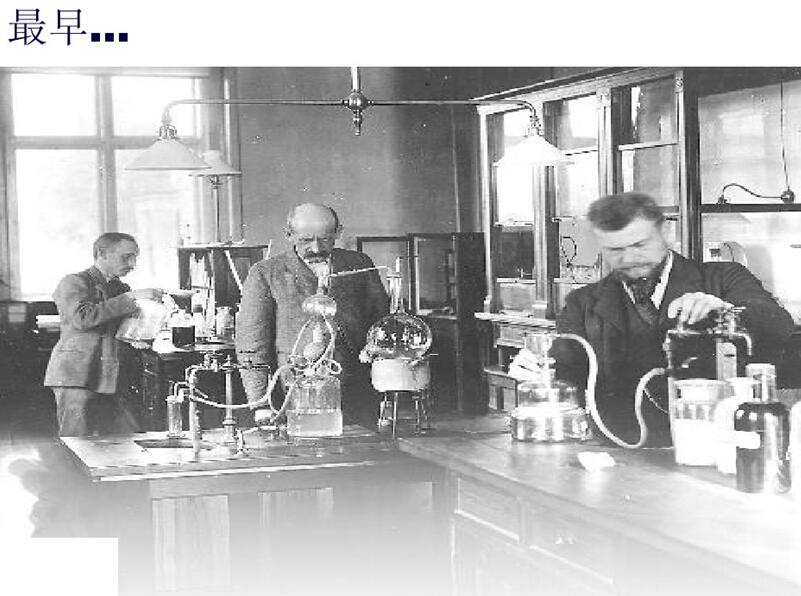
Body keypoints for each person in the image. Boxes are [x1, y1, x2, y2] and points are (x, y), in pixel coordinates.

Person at [554, 192, 794, 446]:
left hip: (717, 444)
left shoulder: (724, 278)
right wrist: (538, 372)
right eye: (615, 250)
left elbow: (779, 327)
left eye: (639, 245)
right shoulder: (582, 304)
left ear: (666, 232)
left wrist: (725, 312)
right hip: (622, 449)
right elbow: (564, 380)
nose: (630, 259)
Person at [236, 203, 389, 427]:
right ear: (288, 234)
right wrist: (260, 404)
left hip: (358, 395)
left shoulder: (360, 264)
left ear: (338, 232)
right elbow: (252, 343)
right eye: (306, 240)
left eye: (325, 239)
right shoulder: (265, 273)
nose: (316, 248)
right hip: (295, 393)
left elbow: (381, 323)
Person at [44, 232, 164, 437]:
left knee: (125, 440)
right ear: (102, 254)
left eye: (135, 257)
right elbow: (83, 318)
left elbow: (121, 326)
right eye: (126, 257)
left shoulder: (120, 288)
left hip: (111, 377)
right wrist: (131, 298)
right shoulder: (73, 282)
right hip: (78, 375)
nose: (133, 264)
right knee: (78, 441)